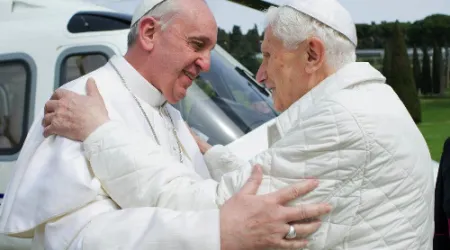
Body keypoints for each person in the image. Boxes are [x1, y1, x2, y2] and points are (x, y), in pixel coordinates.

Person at [42, 0, 435, 249]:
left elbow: (215, 211)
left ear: (312, 55)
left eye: (267, 56)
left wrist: (99, 133)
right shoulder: (368, 103)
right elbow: (266, 175)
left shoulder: (345, 122)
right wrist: (211, 154)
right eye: (197, 46)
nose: (261, 75)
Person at [0, 0, 332, 249]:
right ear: (148, 33)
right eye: (197, 44)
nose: (205, 63)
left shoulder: (170, 113)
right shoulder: (77, 105)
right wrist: (216, 232)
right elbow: (74, 239)